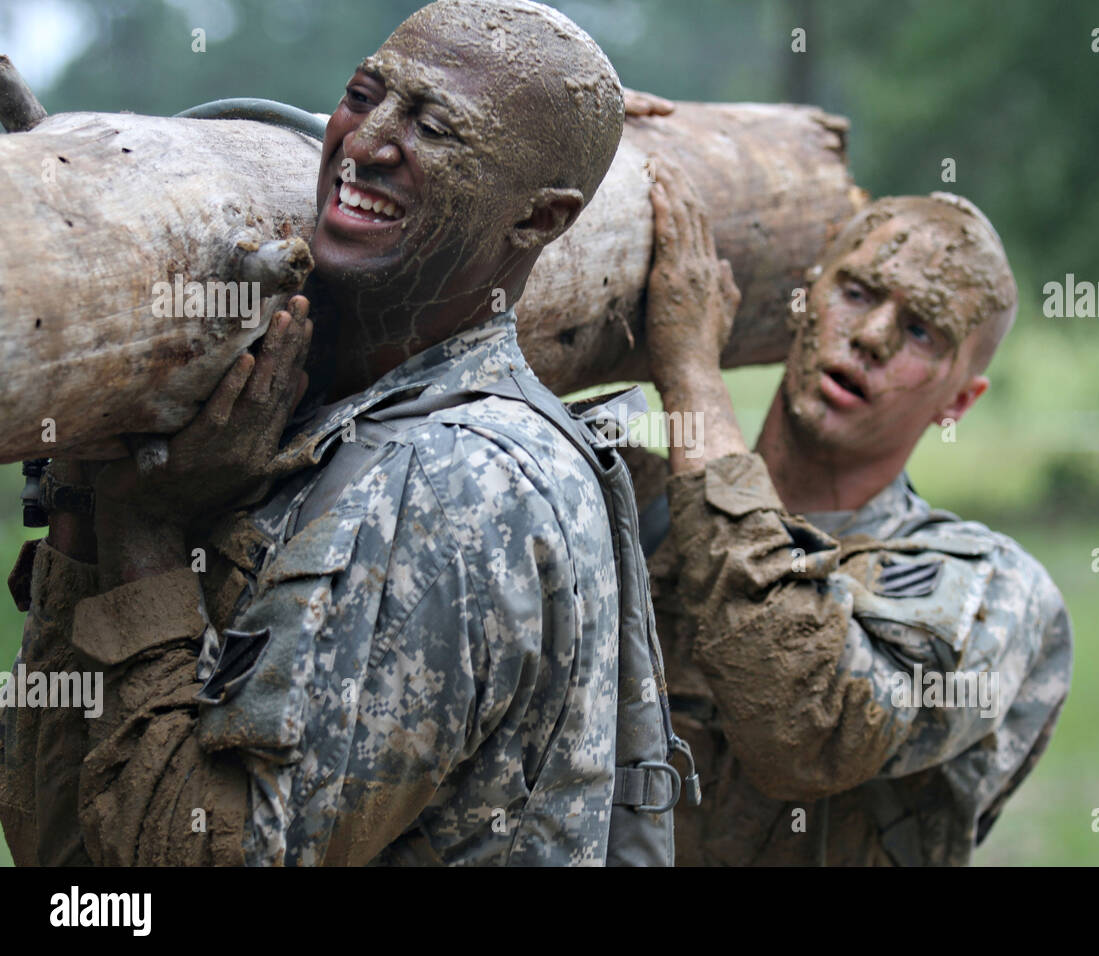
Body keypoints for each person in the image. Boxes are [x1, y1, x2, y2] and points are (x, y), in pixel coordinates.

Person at [0, 0, 640, 866]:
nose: (366, 144)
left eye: (435, 127)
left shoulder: (462, 486)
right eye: (363, 94)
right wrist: (91, 481)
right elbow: (60, 851)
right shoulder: (297, 414)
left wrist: (148, 534)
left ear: (537, 220)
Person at [632, 159, 1073, 866]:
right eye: (858, 292)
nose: (871, 336)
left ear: (959, 401)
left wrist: (690, 374)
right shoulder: (630, 500)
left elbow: (807, 724)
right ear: (804, 302)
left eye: (923, 330)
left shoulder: (992, 593)